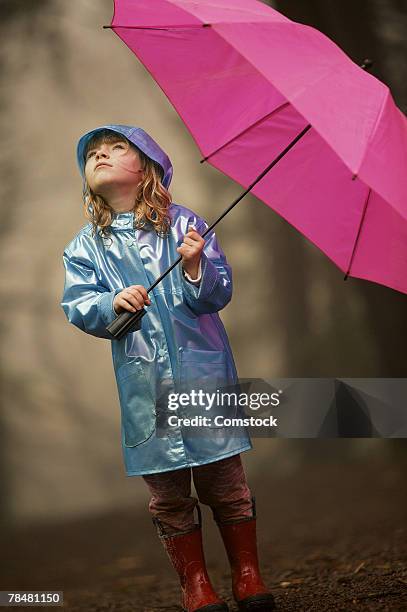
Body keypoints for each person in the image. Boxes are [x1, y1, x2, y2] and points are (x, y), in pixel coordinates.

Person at [60, 124, 275, 612]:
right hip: (144, 382)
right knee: (169, 492)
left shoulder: (185, 226)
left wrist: (197, 266)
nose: (101, 156)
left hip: (203, 374)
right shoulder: (84, 247)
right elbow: (78, 305)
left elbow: (216, 294)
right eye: (92, 153)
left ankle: (248, 574)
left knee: (226, 482)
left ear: (148, 168)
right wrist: (111, 300)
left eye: (116, 149)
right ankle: (195, 584)